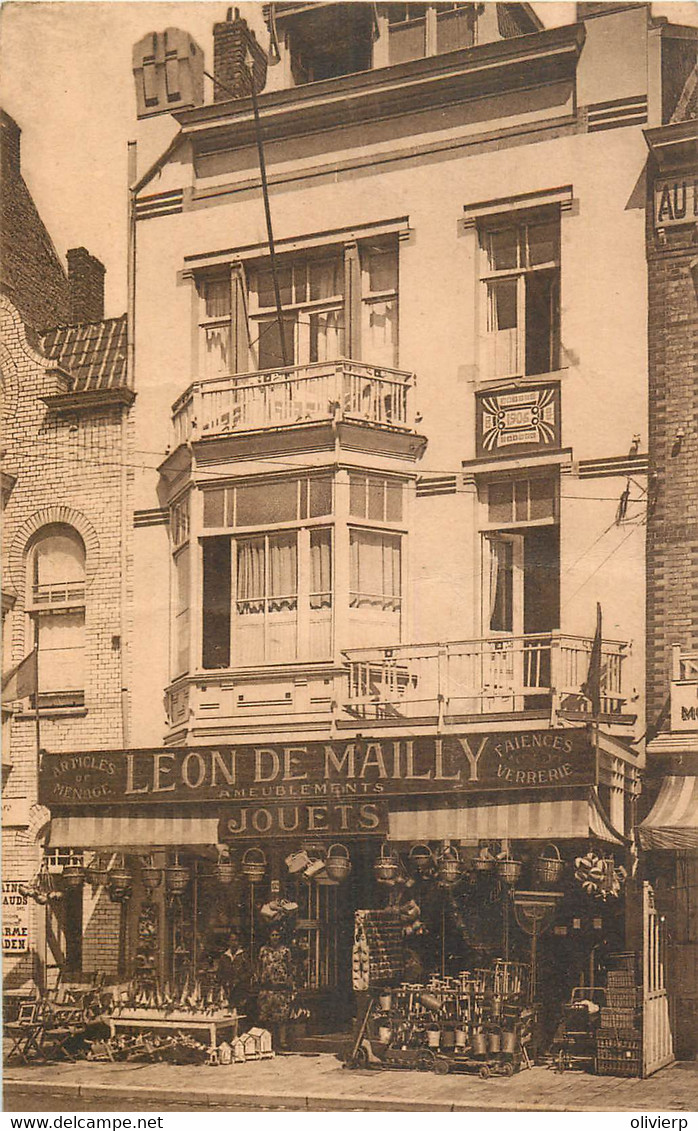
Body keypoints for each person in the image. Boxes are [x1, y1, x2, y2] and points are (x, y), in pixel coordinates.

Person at [257, 926, 294, 1050]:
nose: (275, 937)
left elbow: (289, 968)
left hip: (281, 987)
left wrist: (290, 984)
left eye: (277, 935)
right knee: (267, 1016)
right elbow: (259, 966)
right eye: (272, 935)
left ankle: (282, 1041)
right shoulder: (263, 950)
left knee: (282, 1016)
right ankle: (268, 1041)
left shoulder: (285, 951)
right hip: (267, 988)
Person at [217, 928, 252, 1016]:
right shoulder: (224, 957)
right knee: (227, 1013)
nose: (234, 943)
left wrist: (239, 979)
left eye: (236, 940)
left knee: (240, 1013)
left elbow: (250, 971)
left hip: (241, 990)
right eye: (232, 940)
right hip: (227, 990)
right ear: (228, 942)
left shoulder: (243, 955)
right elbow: (220, 972)